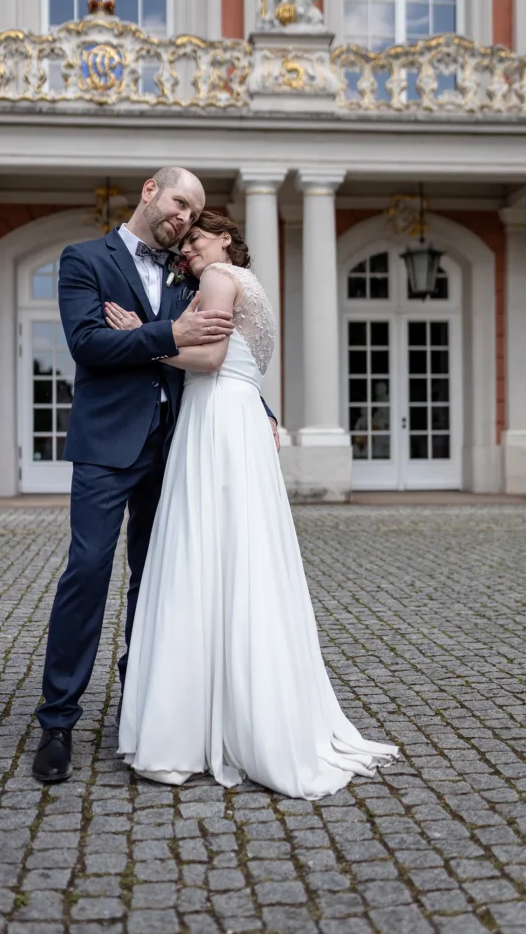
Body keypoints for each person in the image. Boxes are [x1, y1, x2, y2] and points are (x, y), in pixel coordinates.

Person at [109, 211, 398, 799]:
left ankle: (192, 728)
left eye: (196, 238)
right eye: (183, 242)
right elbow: (243, 362)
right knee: (244, 557)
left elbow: (211, 361)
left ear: (225, 240)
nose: (187, 249)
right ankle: (242, 711)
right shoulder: (252, 285)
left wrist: (142, 337)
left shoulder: (219, 277)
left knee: (202, 554)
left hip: (215, 419)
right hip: (236, 419)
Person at [32, 169, 278, 783]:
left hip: (175, 446)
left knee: (160, 577)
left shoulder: (187, 271)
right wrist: (167, 331)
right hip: (108, 443)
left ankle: (139, 703)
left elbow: (221, 355)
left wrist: (260, 407)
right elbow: (88, 343)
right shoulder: (84, 258)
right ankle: (58, 719)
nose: (184, 219)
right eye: (178, 203)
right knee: (87, 570)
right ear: (149, 191)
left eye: (194, 213)